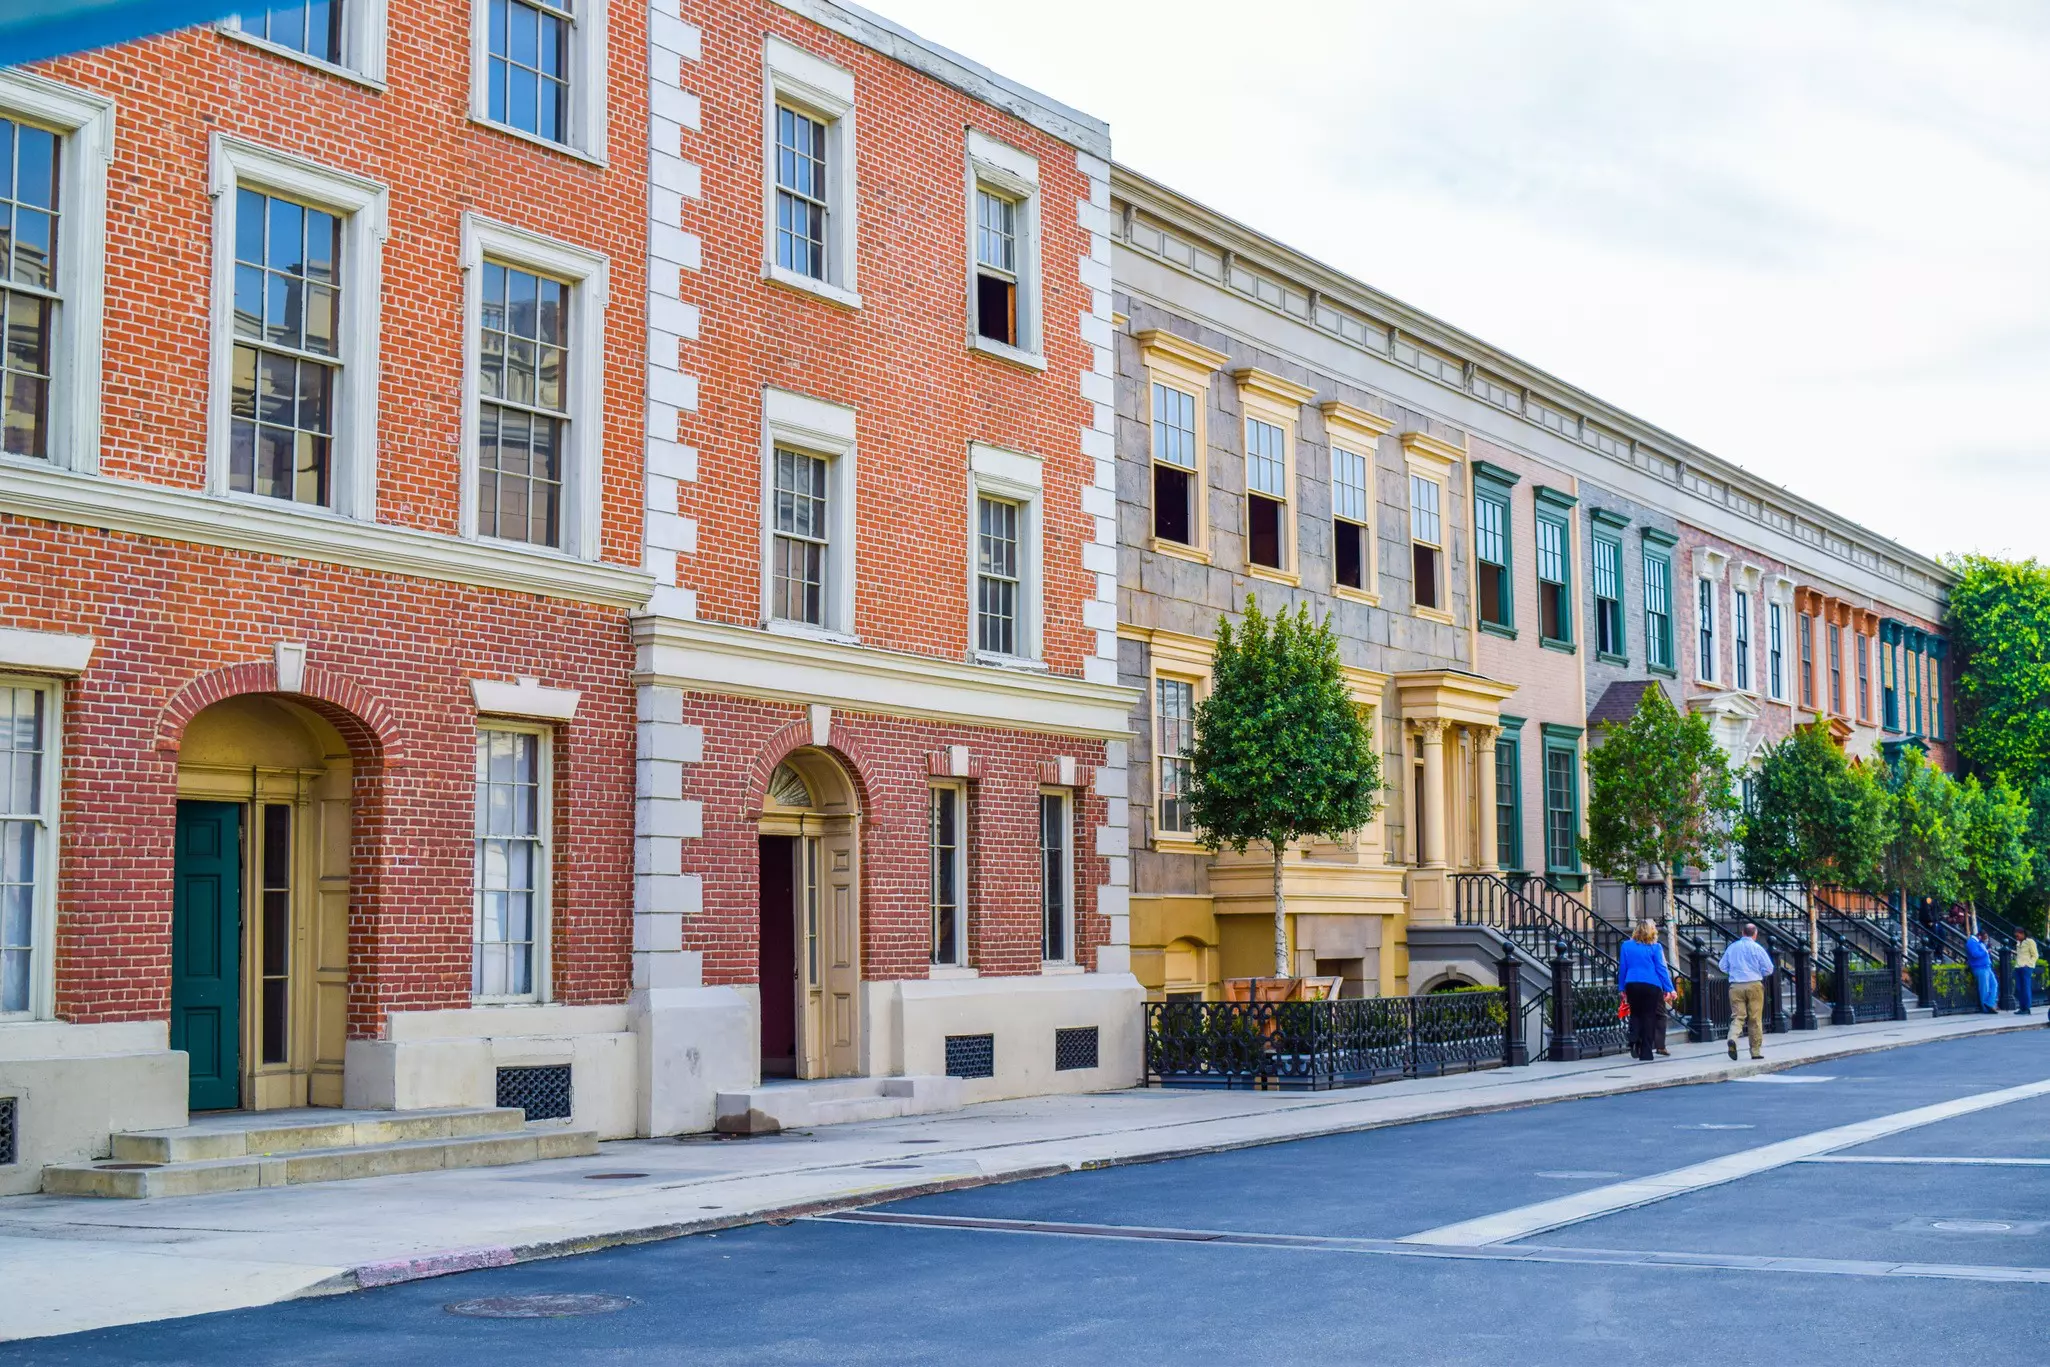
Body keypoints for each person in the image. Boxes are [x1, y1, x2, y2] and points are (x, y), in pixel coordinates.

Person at [1617, 921, 1675, 1062]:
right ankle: (1646, 1053)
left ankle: (1633, 1038)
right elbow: (1661, 969)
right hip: (1651, 984)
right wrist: (1669, 988)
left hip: (1632, 983)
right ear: (1652, 931)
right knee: (1649, 1017)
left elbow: (1623, 968)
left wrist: (1622, 988)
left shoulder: (1626, 945)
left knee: (1635, 1014)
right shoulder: (1655, 947)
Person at [1719, 923, 1775, 1061]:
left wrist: (1733, 972)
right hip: (1754, 984)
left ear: (1742, 933)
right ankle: (1755, 1051)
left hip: (1736, 986)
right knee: (1755, 1019)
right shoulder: (1757, 948)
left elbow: (1722, 966)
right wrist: (1759, 972)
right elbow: (1769, 968)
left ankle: (1732, 1038)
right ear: (1755, 934)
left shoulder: (1732, 947)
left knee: (1738, 1017)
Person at [1965, 930, 1997, 1013]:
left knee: (1994, 984)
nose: (1985, 940)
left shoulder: (1979, 942)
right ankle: (1985, 1008)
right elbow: (1975, 954)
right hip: (1979, 967)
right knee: (1984, 988)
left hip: (1987, 966)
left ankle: (1989, 1003)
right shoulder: (1971, 942)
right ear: (1979, 936)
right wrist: (1986, 951)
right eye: (1984, 938)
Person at [2016, 930, 2039, 1016]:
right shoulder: (2018, 943)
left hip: (2026, 967)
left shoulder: (2030, 941)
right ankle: (2022, 1007)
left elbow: (2035, 955)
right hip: (2018, 967)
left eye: (2017, 936)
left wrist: (2028, 964)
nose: (2016, 938)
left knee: (2025, 988)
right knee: (2019, 988)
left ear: (2022, 934)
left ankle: (2027, 1008)